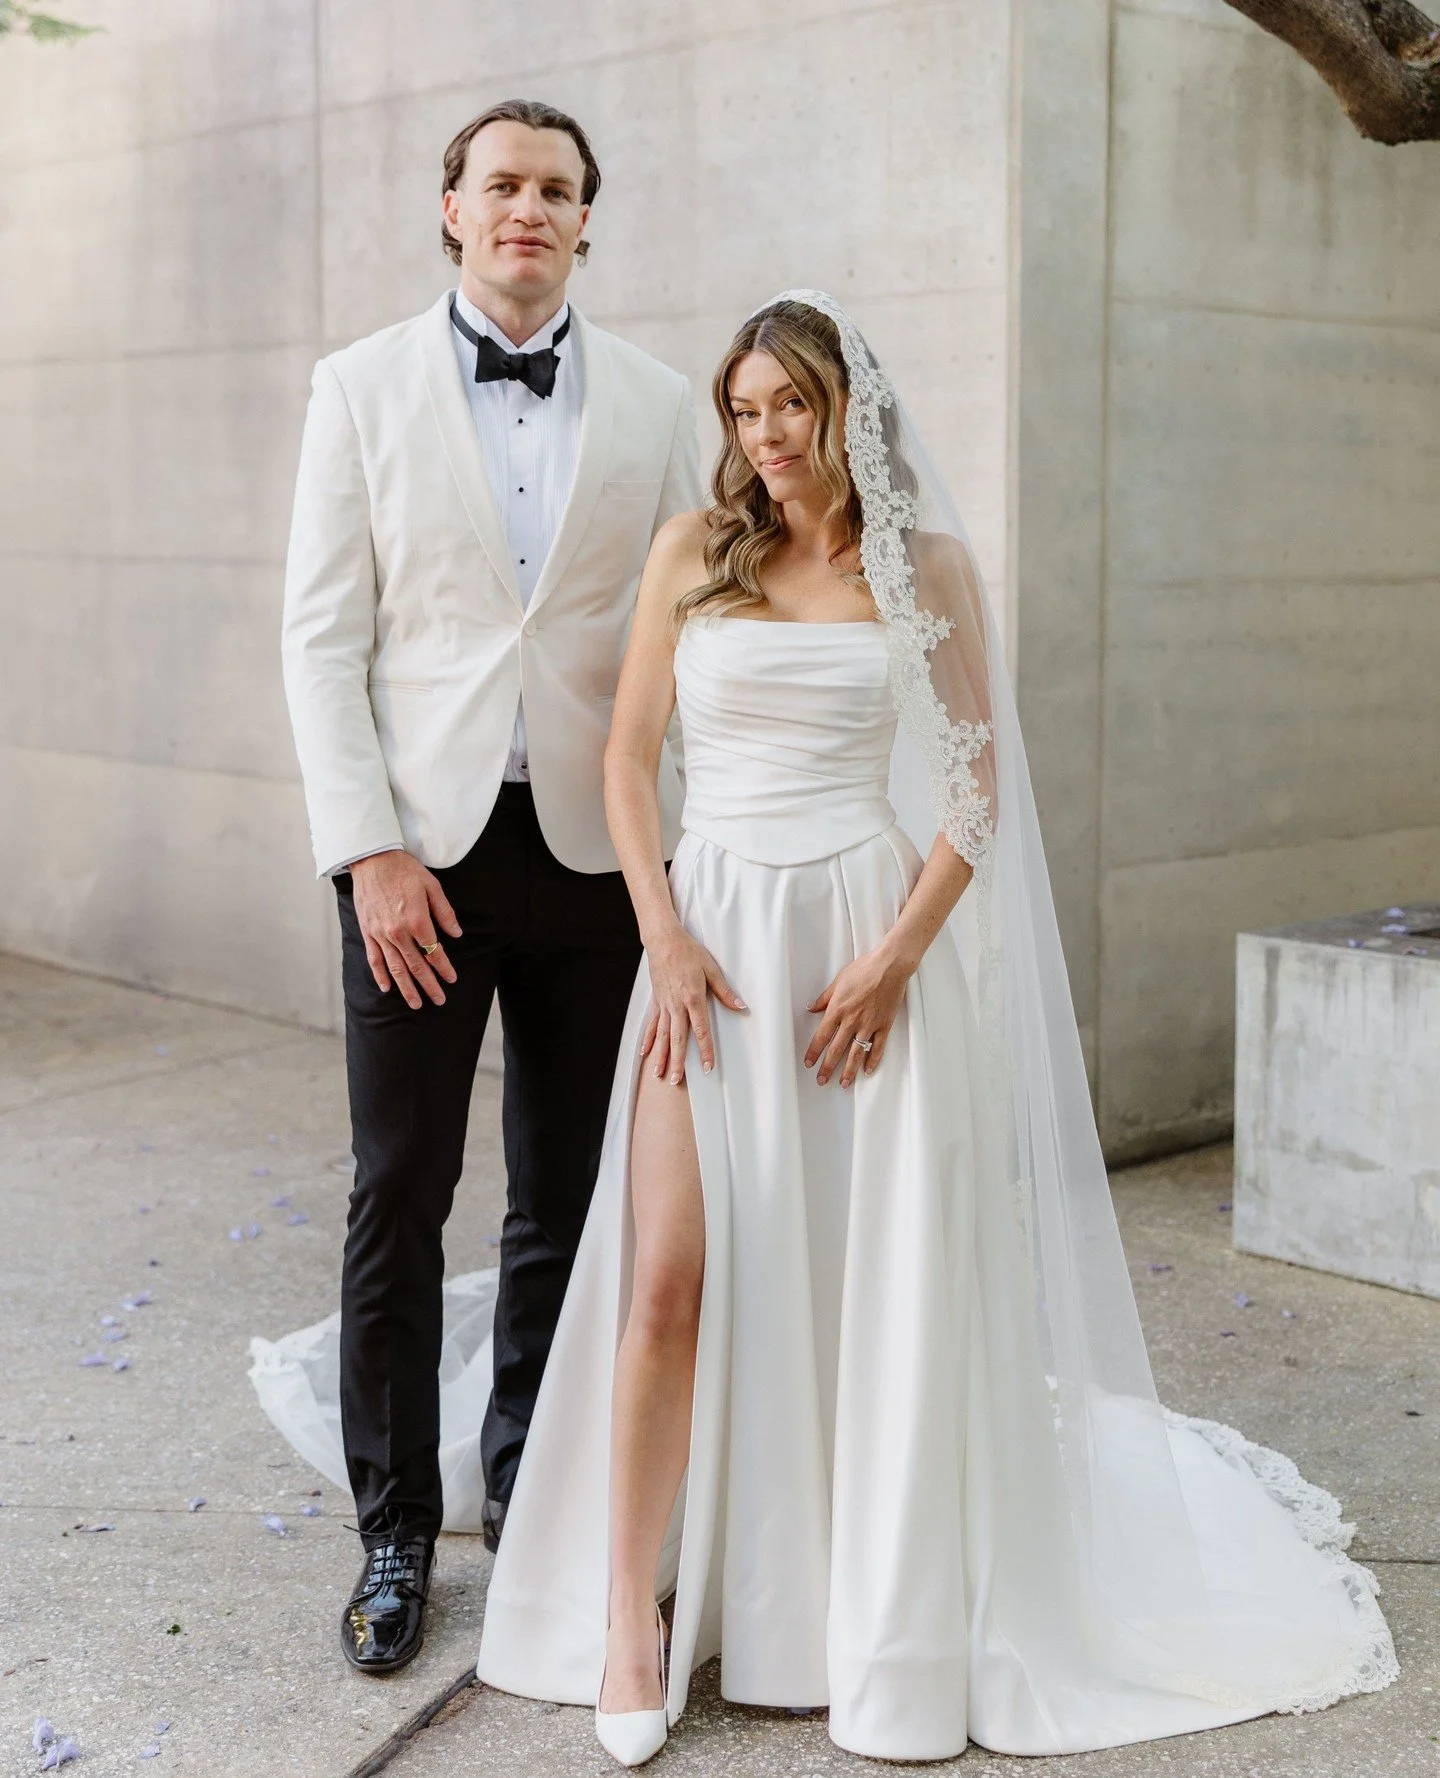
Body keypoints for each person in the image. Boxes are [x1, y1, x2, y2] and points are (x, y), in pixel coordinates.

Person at [473, 293, 1398, 1765]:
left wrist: (897, 960)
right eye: (744, 409)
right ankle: (630, 1622)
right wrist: (660, 926)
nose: (766, 437)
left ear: (848, 407)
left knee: (869, 1289)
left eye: (791, 405)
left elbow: (976, 791)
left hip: (860, 945)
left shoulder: (929, 565)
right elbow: (629, 757)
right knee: (665, 1275)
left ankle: (873, 1618)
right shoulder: (692, 552)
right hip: (707, 943)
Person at [280, 98, 701, 1675]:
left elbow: (695, 646)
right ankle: (395, 1528)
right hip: (421, 857)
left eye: (559, 189)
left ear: (590, 219)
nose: (529, 209)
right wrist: (368, 847)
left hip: (600, 851)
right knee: (399, 1187)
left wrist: (688, 866)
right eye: (501, 185)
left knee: (570, 1199)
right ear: (449, 208)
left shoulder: (664, 401)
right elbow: (323, 636)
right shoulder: (359, 387)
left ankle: (530, 1491)